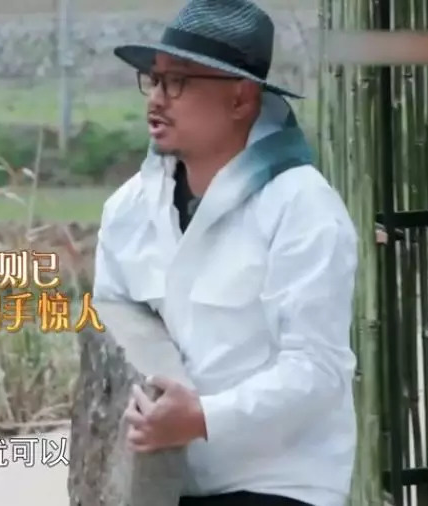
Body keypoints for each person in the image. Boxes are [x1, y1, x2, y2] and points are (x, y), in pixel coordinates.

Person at [91, 0, 359, 505]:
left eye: (179, 82)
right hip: (162, 482)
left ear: (240, 99)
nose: (157, 99)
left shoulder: (302, 206)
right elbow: (113, 337)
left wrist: (203, 418)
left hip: (279, 486)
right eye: (154, 80)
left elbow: (316, 370)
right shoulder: (127, 210)